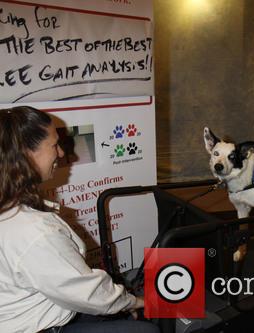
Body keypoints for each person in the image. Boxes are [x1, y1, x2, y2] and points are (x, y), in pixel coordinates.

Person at [0, 106, 159, 333]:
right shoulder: (34, 232)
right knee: (147, 331)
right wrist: (135, 302)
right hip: (36, 326)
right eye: (54, 145)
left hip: (36, 307)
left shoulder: (11, 209)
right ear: (26, 154)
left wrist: (118, 303)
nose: (62, 154)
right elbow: (89, 293)